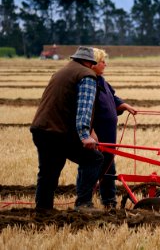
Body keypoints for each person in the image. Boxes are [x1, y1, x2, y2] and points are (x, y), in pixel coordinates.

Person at [30, 46, 104, 213]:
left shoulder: (60, 72)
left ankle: (43, 209)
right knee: (93, 159)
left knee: (48, 171)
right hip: (58, 132)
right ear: (89, 62)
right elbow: (84, 108)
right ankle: (83, 203)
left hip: (41, 129)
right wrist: (85, 135)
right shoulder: (87, 76)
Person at [90, 48, 137, 209]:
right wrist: (90, 132)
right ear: (93, 64)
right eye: (102, 61)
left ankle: (109, 201)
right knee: (92, 166)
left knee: (108, 166)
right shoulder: (89, 83)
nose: (105, 64)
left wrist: (123, 105)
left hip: (108, 134)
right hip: (97, 135)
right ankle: (84, 200)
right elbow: (85, 111)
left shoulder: (102, 81)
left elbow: (113, 98)